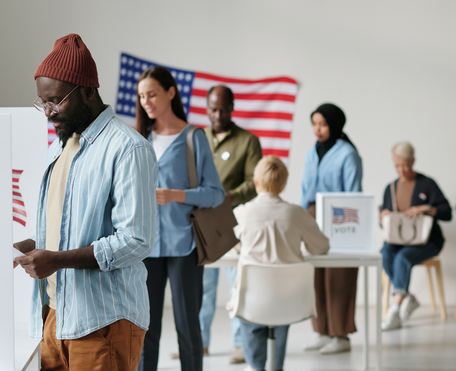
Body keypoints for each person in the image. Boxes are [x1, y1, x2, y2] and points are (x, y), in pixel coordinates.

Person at [13, 33, 158, 371]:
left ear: (88, 91)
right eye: (42, 103)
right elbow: (71, 228)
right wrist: (37, 247)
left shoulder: (128, 148)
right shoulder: (61, 147)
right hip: (55, 316)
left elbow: (135, 240)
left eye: (56, 101)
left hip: (104, 322)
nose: (48, 112)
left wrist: (57, 259)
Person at [135, 66, 225, 371]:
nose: (146, 101)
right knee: (145, 328)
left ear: (171, 93)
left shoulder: (193, 137)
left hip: (183, 245)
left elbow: (216, 194)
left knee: (188, 327)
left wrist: (177, 195)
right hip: (145, 247)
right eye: (142, 96)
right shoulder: (138, 139)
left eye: (152, 94)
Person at [230, 155, 330, 371]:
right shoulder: (297, 214)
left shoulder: (241, 214)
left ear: (256, 182)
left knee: (251, 311)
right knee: (280, 313)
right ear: (283, 184)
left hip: (252, 301)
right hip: (289, 300)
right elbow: (321, 247)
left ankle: (255, 366)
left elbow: (231, 248)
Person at [196, 85, 262, 364]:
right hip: (200, 222)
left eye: (223, 108)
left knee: (238, 284)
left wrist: (229, 196)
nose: (218, 114)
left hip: (234, 221)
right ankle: (200, 342)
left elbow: (255, 182)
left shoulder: (247, 141)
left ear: (232, 108)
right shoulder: (197, 138)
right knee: (203, 287)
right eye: (213, 109)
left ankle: (240, 344)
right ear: (207, 108)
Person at [300, 103, 362, 355]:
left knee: (339, 275)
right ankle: (323, 331)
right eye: (314, 124)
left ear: (335, 125)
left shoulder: (348, 154)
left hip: (339, 217)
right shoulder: (310, 152)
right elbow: (305, 189)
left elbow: (354, 193)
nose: (318, 129)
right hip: (313, 217)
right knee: (316, 274)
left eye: (323, 124)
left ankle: (341, 335)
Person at [379, 142, 452, 331]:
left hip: (428, 241)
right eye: (397, 166)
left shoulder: (427, 184)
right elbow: (385, 221)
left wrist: (427, 208)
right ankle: (407, 296)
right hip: (397, 240)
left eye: (405, 165)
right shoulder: (391, 188)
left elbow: (447, 213)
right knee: (384, 253)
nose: (401, 170)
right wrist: (382, 217)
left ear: (413, 161)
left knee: (403, 258)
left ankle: (394, 310)